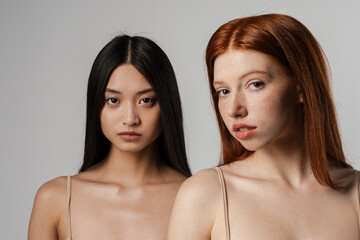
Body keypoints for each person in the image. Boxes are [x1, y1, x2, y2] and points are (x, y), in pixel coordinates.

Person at [168, 14, 359, 240]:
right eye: (223, 91)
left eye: (255, 84)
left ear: (301, 87)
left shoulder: (354, 193)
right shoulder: (204, 194)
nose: (234, 109)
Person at [28, 35, 191, 240]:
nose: (130, 118)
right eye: (113, 100)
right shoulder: (55, 198)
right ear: (96, 104)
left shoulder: (195, 197)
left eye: (146, 100)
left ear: (167, 105)